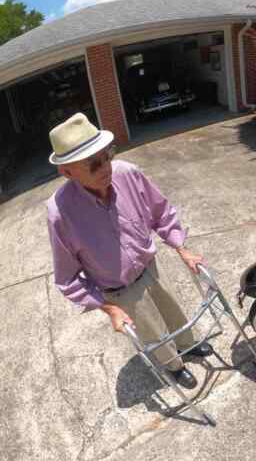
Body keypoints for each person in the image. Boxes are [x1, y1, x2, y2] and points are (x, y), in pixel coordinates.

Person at [46, 113, 212, 389]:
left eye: (106, 157)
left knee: (173, 310)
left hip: (151, 267)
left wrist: (183, 248)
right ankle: (174, 365)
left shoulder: (126, 172)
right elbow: (67, 278)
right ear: (67, 172)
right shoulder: (59, 212)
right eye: (93, 165)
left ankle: (189, 344)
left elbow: (161, 211)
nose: (105, 169)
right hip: (119, 290)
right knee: (152, 334)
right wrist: (108, 308)